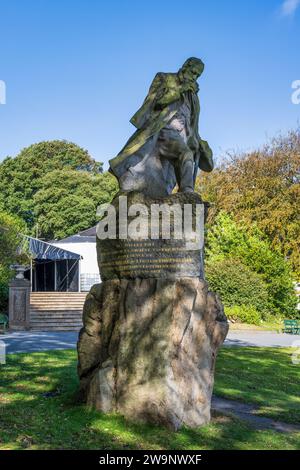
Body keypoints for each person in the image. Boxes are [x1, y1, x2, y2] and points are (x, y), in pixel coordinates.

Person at [109, 57, 213, 194]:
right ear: (186, 66)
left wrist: (196, 140)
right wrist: (181, 89)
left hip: (183, 136)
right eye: (193, 72)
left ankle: (181, 196)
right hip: (163, 131)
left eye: (198, 76)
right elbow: (157, 102)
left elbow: (193, 122)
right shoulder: (165, 78)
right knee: (185, 154)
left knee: (168, 182)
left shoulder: (193, 97)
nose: (194, 77)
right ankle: (187, 192)